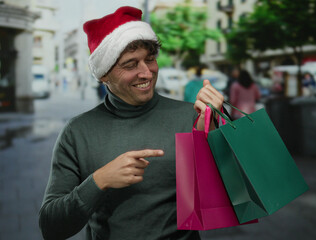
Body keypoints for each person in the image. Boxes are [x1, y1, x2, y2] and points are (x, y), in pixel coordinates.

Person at [39, 6, 224, 240]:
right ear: (104, 74)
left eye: (150, 59)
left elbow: (221, 197)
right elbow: (51, 227)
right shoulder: (77, 132)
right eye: (130, 64)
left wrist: (211, 134)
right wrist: (99, 181)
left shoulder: (190, 116)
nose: (146, 73)